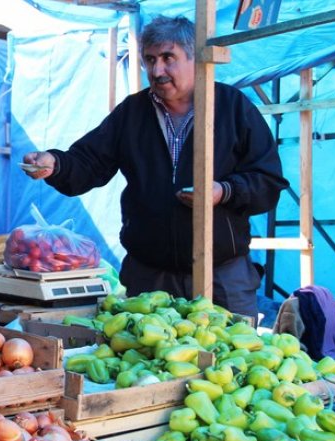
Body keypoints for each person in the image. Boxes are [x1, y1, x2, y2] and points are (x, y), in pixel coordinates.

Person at [21, 15, 288, 320]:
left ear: (194, 58)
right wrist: (55, 164)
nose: (157, 70)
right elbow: (89, 162)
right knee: (146, 364)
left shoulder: (233, 108)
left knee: (232, 361)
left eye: (167, 58)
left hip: (222, 275)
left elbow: (268, 182)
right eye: (149, 59)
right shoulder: (132, 113)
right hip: (150, 278)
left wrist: (223, 191)